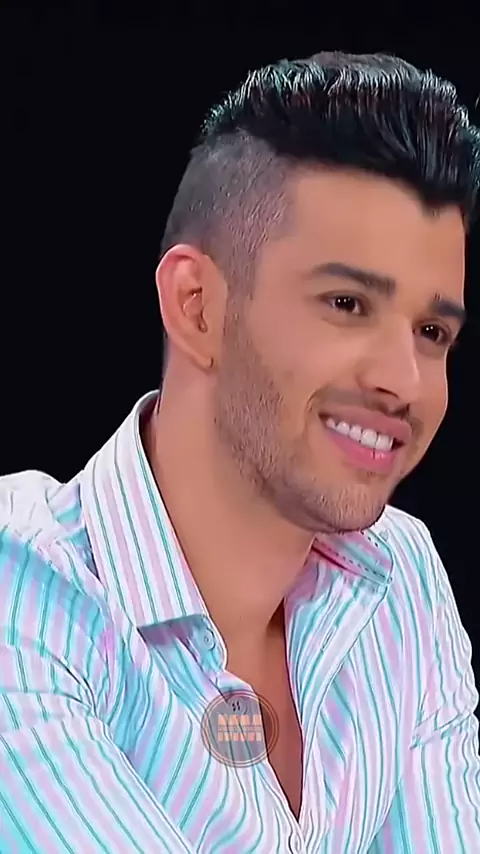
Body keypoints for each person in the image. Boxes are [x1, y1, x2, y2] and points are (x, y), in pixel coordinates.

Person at [1, 51, 480, 854]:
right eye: (347, 303)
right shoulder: (24, 589)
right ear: (197, 308)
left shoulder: (402, 578)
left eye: (432, 332)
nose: (404, 382)